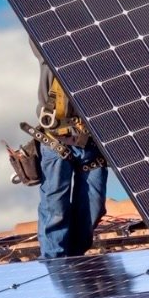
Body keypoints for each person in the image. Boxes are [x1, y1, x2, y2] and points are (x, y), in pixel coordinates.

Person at [32, 45, 109, 258]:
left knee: (93, 208)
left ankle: (74, 262)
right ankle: (55, 265)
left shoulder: (103, 55)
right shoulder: (51, 50)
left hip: (92, 143)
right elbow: (39, 29)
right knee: (55, 210)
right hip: (57, 140)